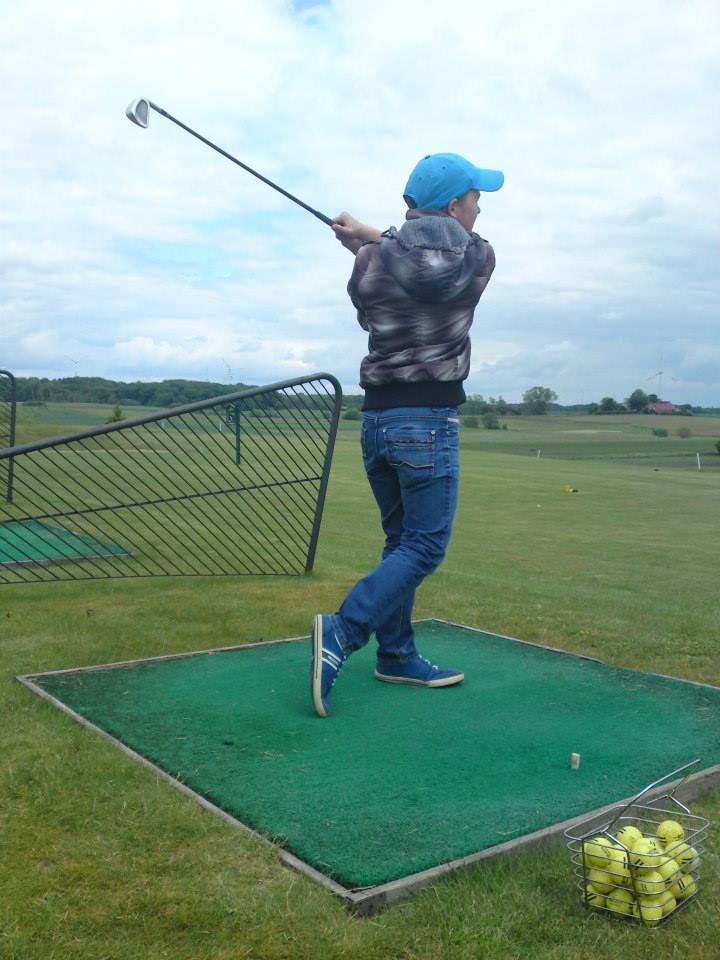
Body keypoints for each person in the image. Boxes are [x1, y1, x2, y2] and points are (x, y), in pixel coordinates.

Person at [311, 153, 504, 717]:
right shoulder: (479, 257)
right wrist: (375, 236)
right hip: (427, 421)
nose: (479, 209)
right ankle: (344, 630)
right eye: (475, 199)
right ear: (455, 206)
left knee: (400, 542)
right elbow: (435, 260)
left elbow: (389, 278)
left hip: (376, 423)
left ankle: (396, 655)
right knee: (424, 546)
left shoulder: (368, 262)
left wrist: (370, 241)